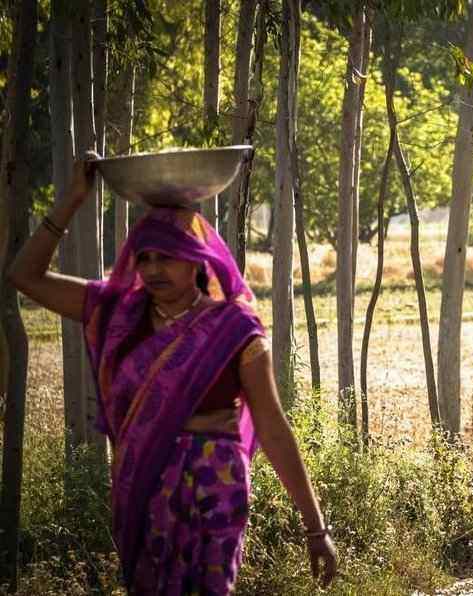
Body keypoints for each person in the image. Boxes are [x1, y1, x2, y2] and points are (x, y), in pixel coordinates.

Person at [7, 156, 338, 593]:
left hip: (216, 484)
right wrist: (72, 201)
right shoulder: (118, 315)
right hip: (144, 482)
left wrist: (315, 528)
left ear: (197, 261)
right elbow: (24, 276)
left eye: (168, 257)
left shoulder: (233, 330)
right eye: (144, 258)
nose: (153, 270)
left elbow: (273, 426)